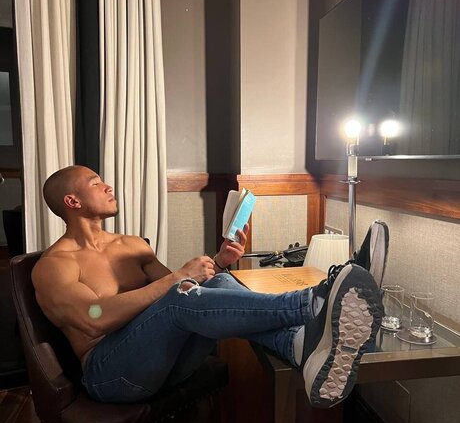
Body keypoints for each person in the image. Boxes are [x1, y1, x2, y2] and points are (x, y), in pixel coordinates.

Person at [32, 165, 385, 409]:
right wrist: (177, 279)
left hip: (168, 365)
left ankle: (298, 346)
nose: (108, 186)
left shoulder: (131, 246)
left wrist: (219, 262)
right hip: (113, 376)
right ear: (72, 202)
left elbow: (188, 296)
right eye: (96, 183)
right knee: (179, 296)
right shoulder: (55, 265)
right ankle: (315, 303)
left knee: (218, 281)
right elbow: (93, 317)